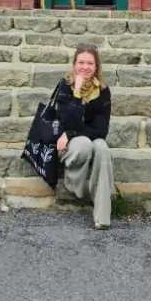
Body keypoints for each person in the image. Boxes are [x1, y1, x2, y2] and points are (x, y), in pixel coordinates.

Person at [53, 44, 114, 229]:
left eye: (90, 63)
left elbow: (101, 130)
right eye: (81, 62)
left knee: (102, 148)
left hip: (77, 137)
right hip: (70, 146)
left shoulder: (103, 91)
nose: (85, 67)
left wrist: (71, 133)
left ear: (96, 67)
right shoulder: (65, 86)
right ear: (74, 64)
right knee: (84, 144)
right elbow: (64, 121)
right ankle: (73, 184)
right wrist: (77, 92)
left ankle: (102, 217)